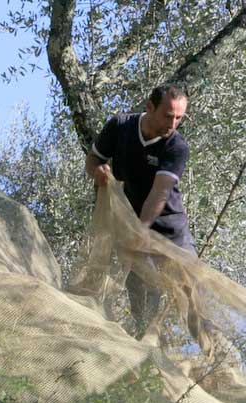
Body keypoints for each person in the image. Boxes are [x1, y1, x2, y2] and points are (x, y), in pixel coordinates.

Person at [84, 84, 194, 338]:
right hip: (133, 222)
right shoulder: (120, 127)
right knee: (141, 296)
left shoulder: (176, 147)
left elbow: (160, 193)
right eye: (169, 115)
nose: (174, 122)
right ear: (149, 107)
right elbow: (93, 160)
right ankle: (146, 349)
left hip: (170, 230)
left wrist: (140, 231)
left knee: (191, 293)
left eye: (179, 117)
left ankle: (216, 360)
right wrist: (97, 172)